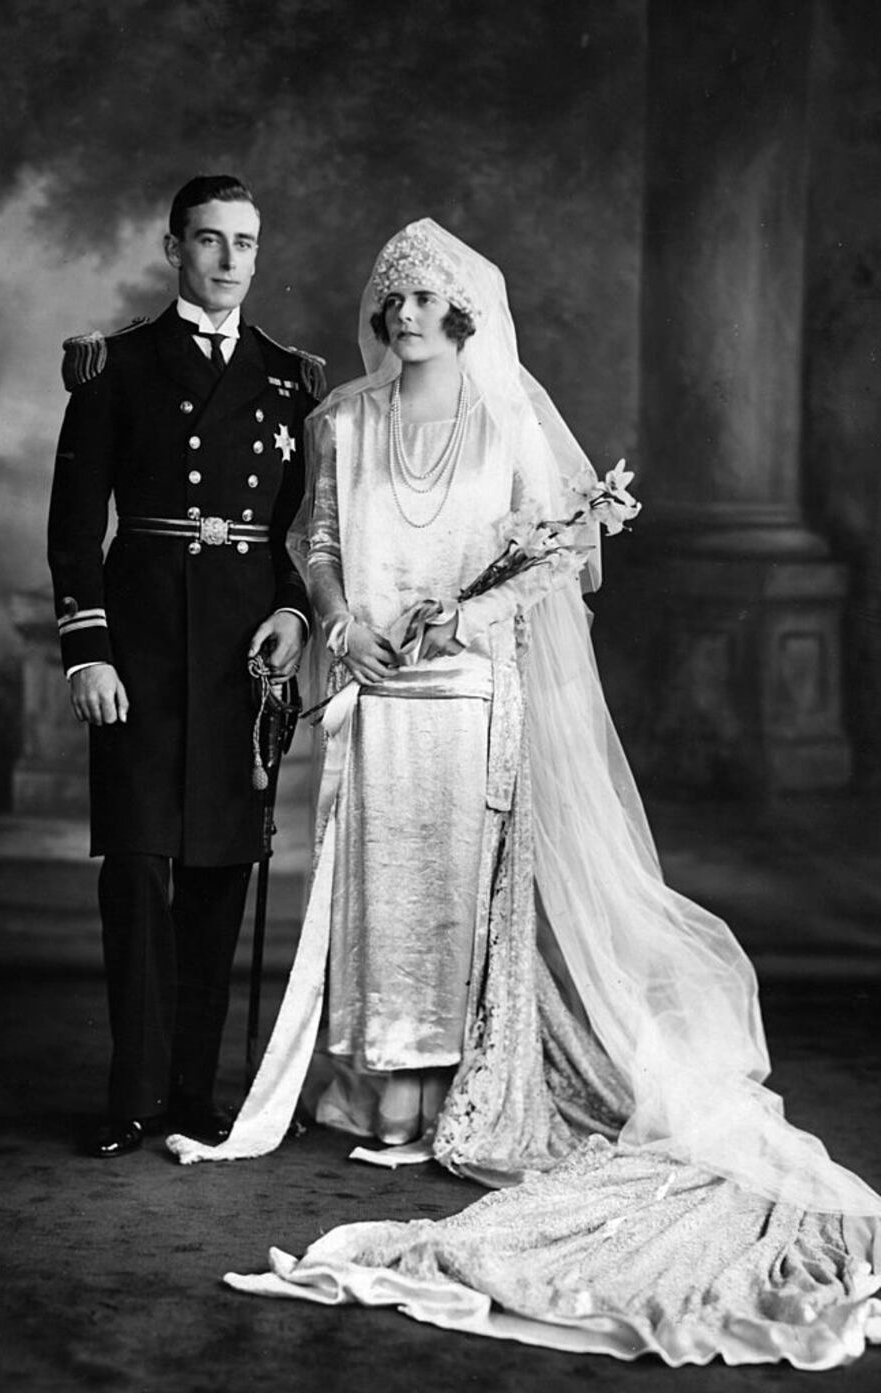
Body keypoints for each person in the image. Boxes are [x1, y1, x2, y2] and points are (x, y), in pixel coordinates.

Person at [169, 220, 881, 1367]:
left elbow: (556, 558)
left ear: (463, 318)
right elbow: (316, 539)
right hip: (376, 694)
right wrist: (342, 619)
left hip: (473, 697)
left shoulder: (505, 425)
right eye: (391, 300)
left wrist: (467, 616)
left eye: (424, 302)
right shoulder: (340, 421)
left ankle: (455, 1091)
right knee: (371, 886)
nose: (403, 317)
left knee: (460, 891)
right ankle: (373, 1099)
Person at [47, 174, 324, 1159]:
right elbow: (76, 526)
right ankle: (130, 1093)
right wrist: (89, 647)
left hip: (238, 658)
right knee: (135, 869)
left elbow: (298, 531)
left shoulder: (290, 376)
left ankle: (193, 1094)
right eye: (209, 240)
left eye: (245, 241)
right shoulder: (116, 364)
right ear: (174, 247)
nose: (230, 259)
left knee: (217, 873)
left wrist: (294, 612)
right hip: (143, 645)